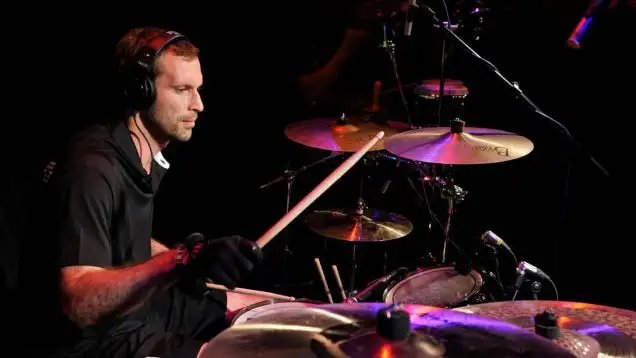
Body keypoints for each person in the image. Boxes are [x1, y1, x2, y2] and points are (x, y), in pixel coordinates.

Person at [16, 27, 270, 358]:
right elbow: (78, 302)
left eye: (198, 89)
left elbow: (120, 239)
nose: (199, 105)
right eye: (183, 90)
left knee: (265, 313)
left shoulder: (143, 154)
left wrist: (192, 260)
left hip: (136, 311)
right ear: (141, 91)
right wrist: (180, 261)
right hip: (93, 340)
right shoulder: (93, 169)